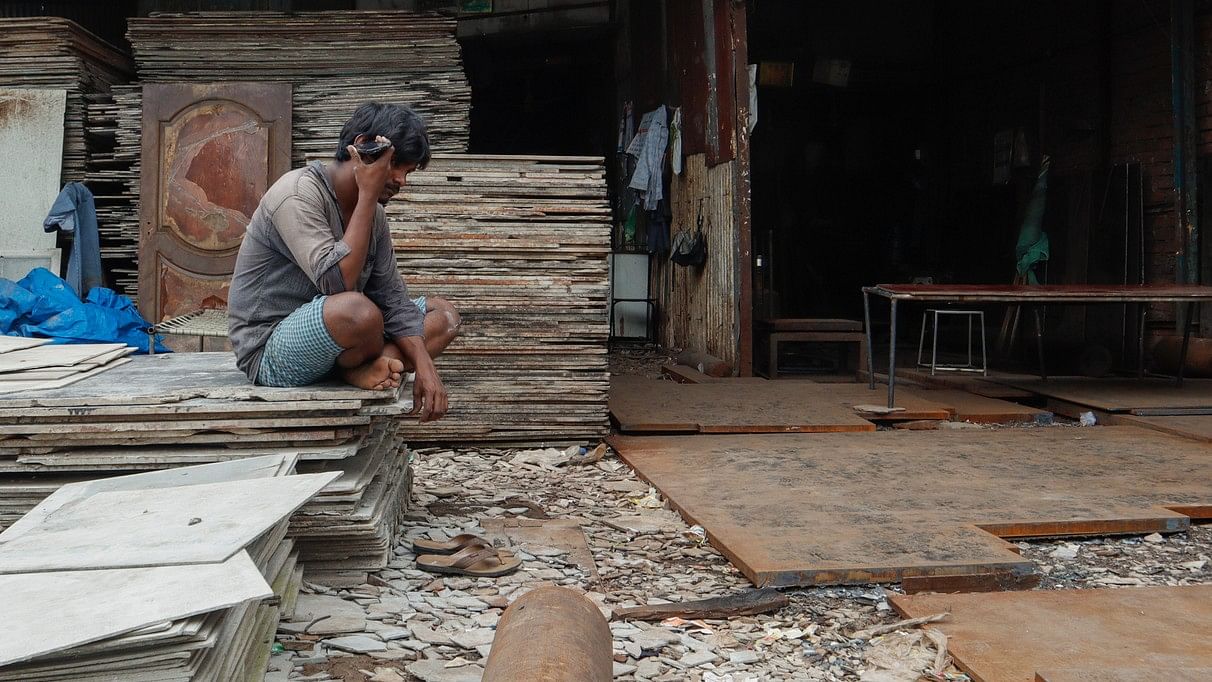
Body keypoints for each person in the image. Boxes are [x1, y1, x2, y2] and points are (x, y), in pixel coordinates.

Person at [228, 102, 457, 422]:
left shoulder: (373, 215)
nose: (402, 181)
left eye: (409, 172)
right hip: (270, 351)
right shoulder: (297, 193)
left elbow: (393, 300)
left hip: (343, 338)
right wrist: (367, 194)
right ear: (363, 150)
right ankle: (354, 370)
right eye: (397, 166)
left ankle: (359, 369)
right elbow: (337, 283)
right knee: (357, 311)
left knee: (443, 316)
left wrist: (425, 366)